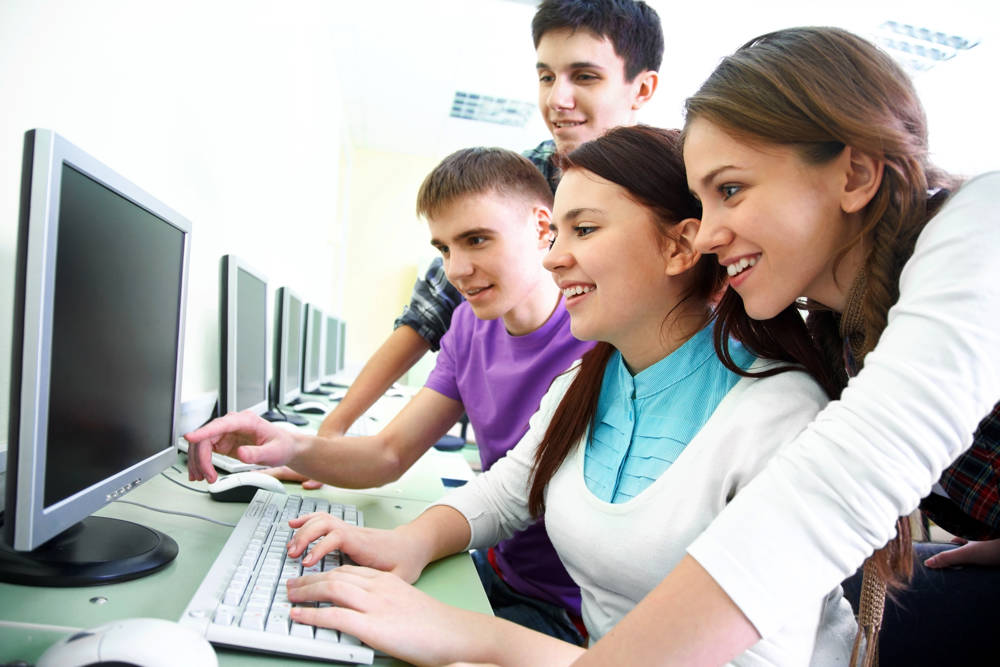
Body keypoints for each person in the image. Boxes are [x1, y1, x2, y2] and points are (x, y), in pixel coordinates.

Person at [269, 126, 858, 666]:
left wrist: (472, 634)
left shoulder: (780, 414)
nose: (552, 258)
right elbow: (505, 495)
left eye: (584, 229)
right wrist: (406, 542)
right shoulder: (588, 380)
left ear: (679, 248)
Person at [669, 26, 999, 666]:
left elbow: (835, 489)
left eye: (730, 189)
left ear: (855, 174)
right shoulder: (838, 331)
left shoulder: (982, 223)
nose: (708, 233)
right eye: (700, 202)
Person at [187, 147, 596, 643]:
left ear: (540, 226)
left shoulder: (596, 334)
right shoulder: (467, 326)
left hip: (564, 606)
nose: (457, 269)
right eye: (444, 248)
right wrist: (288, 444)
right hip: (494, 564)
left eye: (476, 240)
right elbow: (390, 452)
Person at [310, 0, 661, 443]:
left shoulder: (677, 190)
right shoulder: (529, 178)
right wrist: (332, 430)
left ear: (642, 89)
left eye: (585, 76)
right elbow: (430, 311)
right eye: (546, 77)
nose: (557, 99)